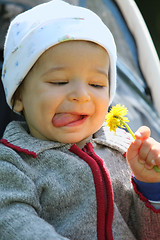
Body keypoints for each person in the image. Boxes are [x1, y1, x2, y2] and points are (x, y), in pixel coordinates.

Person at [0, 0, 160, 239]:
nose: (81, 95)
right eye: (59, 82)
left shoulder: (123, 149)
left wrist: (150, 187)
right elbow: (13, 221)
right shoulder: (12, 162)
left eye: (96, 84)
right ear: (19, 95)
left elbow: (148, 232)